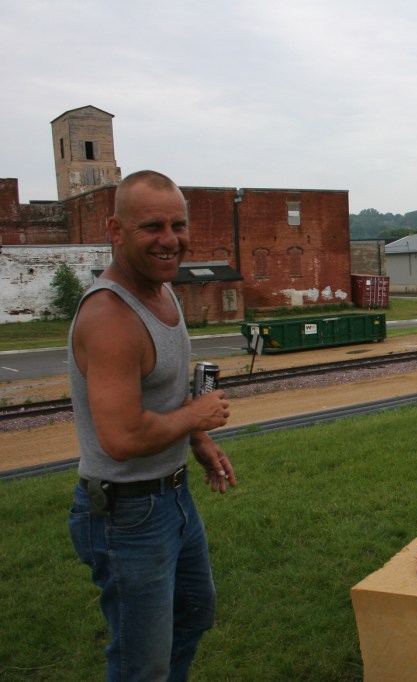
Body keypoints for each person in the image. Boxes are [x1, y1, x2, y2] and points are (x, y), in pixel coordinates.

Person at [67, 170, 236, 681]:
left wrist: (198, 438)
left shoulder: (163, 293)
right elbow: (120, 439)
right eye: (152, 226)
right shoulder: (111, 317)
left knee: (193, 613)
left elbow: (160, 392)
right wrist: (195, 416)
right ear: (115, 230)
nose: (171, 239)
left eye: (178, 225)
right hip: (127, 514)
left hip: (173, 497)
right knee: (142, 663)